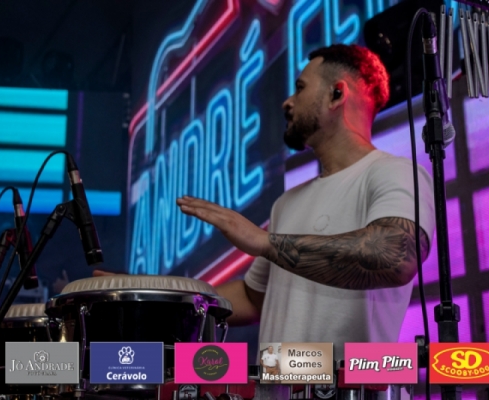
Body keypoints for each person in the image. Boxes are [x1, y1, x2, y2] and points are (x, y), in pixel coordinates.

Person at [176, 44, 435, 363]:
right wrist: (160, 296)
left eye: (300, 88)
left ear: (336, 94)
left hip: (350, 385)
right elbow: (254, 298)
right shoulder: (287, 202)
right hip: (278, 380)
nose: (287, 102)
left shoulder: (394, 172)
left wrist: (265, 242)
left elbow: (395, 255)